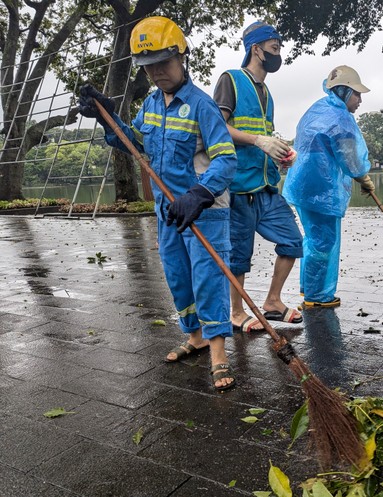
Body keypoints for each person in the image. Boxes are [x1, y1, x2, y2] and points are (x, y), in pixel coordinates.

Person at [77, 16, 238, 391]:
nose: (156, 72)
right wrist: (107, 117)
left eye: (163, 62)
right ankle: (195, 337)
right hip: (168, 211)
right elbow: (134, 143)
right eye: (148, 66)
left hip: (204, 210)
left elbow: (226, 158)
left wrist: (200, 194)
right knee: (178, 277)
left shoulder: (202, 106)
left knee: (208, 278)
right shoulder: (151, 103)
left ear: (183, 57)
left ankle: (218, 352)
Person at [213, 21, 303, 332]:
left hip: (266, 187)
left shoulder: (268, 93)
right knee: (238, 255)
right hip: (238, 187)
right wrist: (258, 141)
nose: (278, 55)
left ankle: (273, 302)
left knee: (293, 241)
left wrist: (278, 155)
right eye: (274, 49)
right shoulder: (231, 80)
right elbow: (217, 128)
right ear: (256, 49)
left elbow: (263, 135)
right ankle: (236, 313)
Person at [282, 66, 374, 307]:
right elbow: (350, 157)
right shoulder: (341, 118)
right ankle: (318, 296)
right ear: (343, 91)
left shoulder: (317, 109)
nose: (360, 100)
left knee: (312, 239)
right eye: (357, 94)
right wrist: (363, 177)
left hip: (302, 186)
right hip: (322, 190)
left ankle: (308, 288)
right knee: (324, 242)